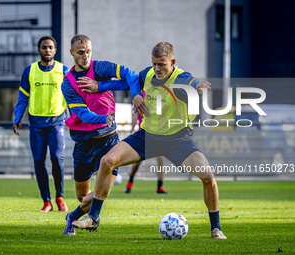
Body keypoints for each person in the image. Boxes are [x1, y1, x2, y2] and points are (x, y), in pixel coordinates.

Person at [72, 42, 227, 239]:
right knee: (107, 161)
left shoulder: (180, 78)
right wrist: (101, 87)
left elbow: (190, 81)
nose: (157, 68)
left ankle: (216, 228)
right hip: (147, 137)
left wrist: (198, 85)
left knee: (208, 177)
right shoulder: (148, 74)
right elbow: (126, 82)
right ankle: (93, 218)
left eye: (162, 64)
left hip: (177, 140)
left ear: (173, 62)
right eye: (154, 63)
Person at [61, 34, 145, 235]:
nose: (85, 56)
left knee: (103, 192)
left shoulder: (100, 68)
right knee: (83, 196)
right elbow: (81, 113)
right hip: (84, 143)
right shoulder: (68, 83)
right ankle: (75, 214)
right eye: (81, 53)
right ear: (72, 53)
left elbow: (131, 77)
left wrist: (131, 94)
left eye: (88, 51)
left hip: (109, 140)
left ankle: (78, 217)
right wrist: (102, 118)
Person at [13, 36, 69, 212]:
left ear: (55, 50)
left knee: (56, 159)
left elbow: (73, 97)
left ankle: (59, 197)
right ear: (39, 50)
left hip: (57, 122)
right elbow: (23, 97)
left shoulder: (64, 71)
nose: (47, 50)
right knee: (38, 161)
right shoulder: (29, 71)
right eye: (44, 47)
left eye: (50, 47)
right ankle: (46, 201)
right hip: (36, 124)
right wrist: (17, 118)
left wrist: (77, 118)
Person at [124, 104, 167, 194]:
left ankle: (160, 187)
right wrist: (132, 130)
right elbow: (135, 114)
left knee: (160, 159)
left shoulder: (160, 96)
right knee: (138, 161)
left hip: (157, 134)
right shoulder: (141, 95)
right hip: (144, 134)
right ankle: (130, 181)